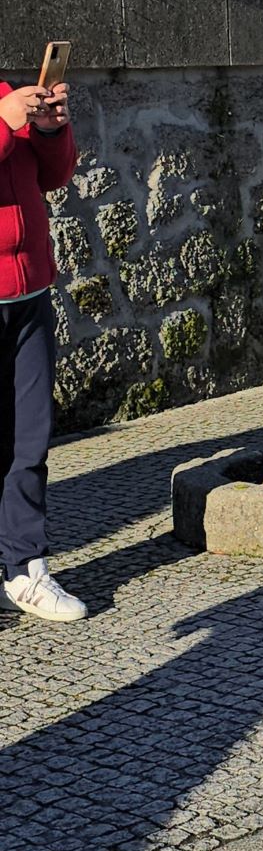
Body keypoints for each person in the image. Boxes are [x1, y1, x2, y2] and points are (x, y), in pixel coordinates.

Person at [0, 75, 85, 621]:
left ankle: (25, 567)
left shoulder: (7, 92)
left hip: (28, 292)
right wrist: (4, 126)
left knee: (29, 437)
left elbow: (53, 176)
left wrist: (51, 131)